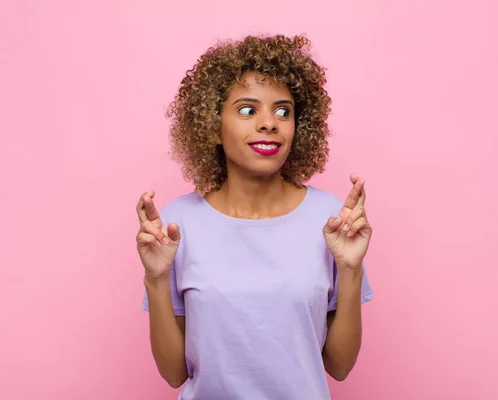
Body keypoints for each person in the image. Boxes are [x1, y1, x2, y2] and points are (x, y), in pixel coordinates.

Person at [136, 34, 375, 400]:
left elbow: (339, 367)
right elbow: (174, 373)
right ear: (213, 126)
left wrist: (351, 269)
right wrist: (156, 278)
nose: (269, 123)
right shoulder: (176, 225)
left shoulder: (330, 221)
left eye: (283, 111)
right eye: (248, 110)